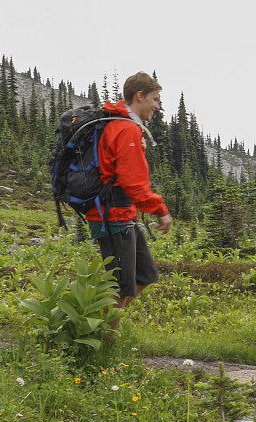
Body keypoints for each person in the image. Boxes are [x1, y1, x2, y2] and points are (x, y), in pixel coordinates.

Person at [86, 71, 173, 331]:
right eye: (154, 99)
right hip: (111, 216)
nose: (157, 106)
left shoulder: (123, 125)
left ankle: (101, 328)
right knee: (118, 286)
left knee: (143, 276)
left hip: (123, 215)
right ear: (139, 96)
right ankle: (100, 340)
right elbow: (133, 182)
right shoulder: (124, 128)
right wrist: (160, 210)